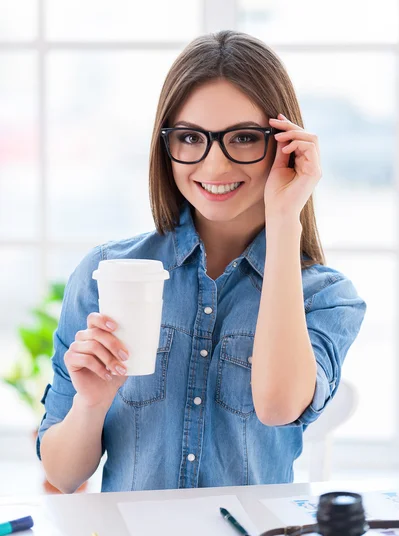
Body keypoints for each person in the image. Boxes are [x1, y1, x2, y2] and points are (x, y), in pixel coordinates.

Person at [37, 30, 366, 494]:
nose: (213, 167)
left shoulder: (326, 297)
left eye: (245, 138)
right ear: (165, 145)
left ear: (284, 145)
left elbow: (278, 407)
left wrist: (286, 214)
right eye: (191, 138)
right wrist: (90, 405)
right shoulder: (106, 274)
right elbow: (62, 475)